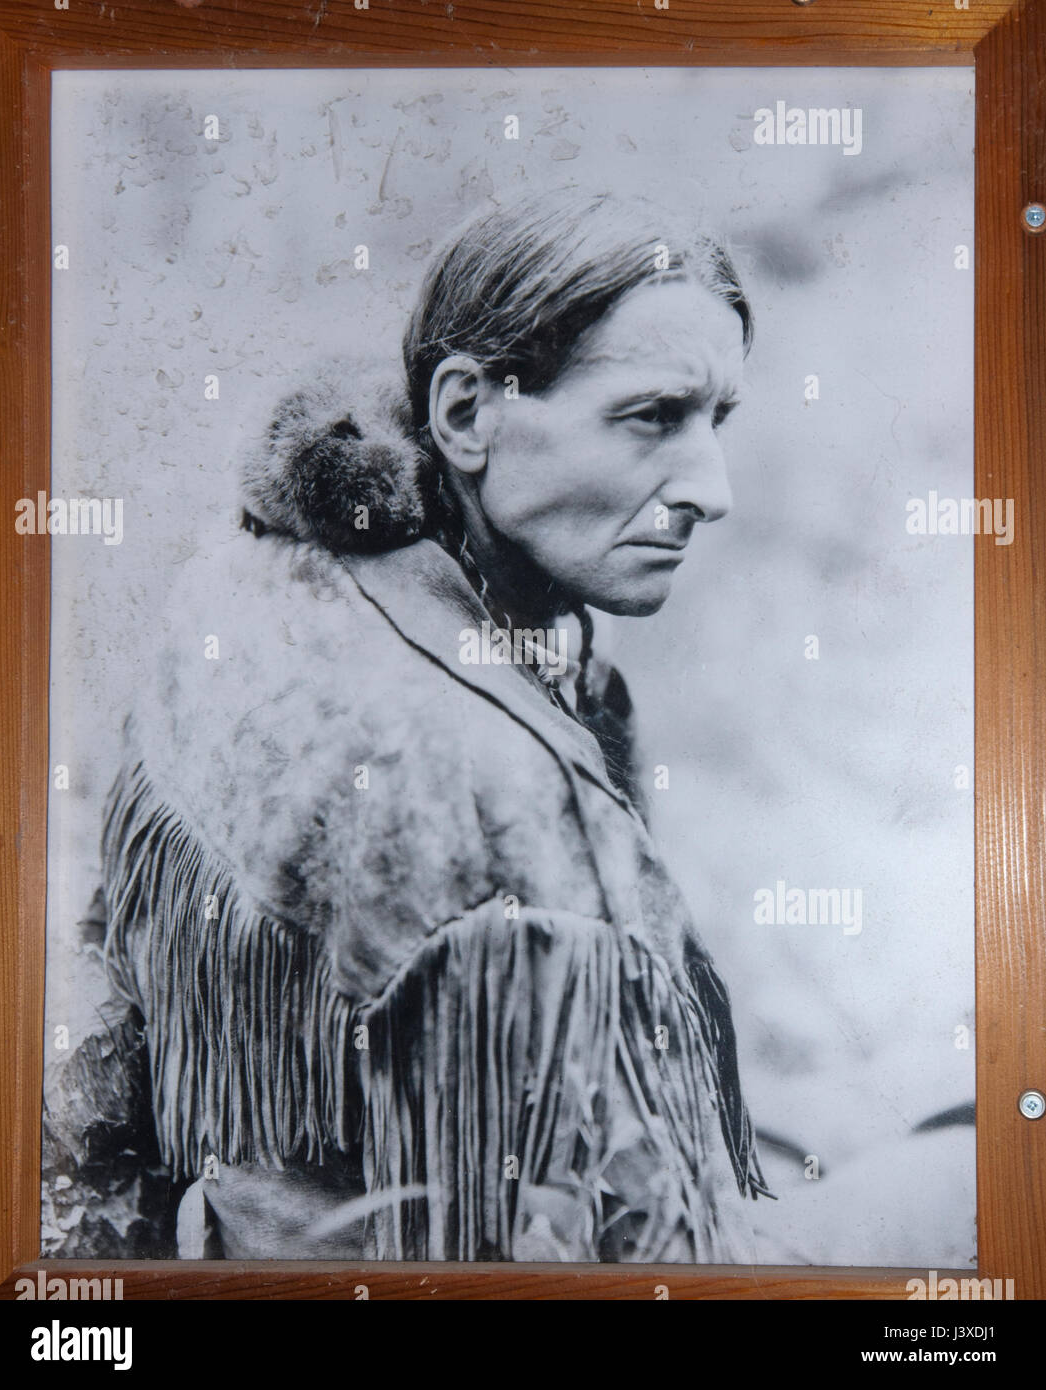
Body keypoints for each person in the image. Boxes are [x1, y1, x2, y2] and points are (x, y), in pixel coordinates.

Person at [98, 186, 771, 1263]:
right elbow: (646, 1241)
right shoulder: (497, 789)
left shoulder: (261, 582)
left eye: (717, 420)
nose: (712, 487)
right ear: (463, 414)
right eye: (652, 416)